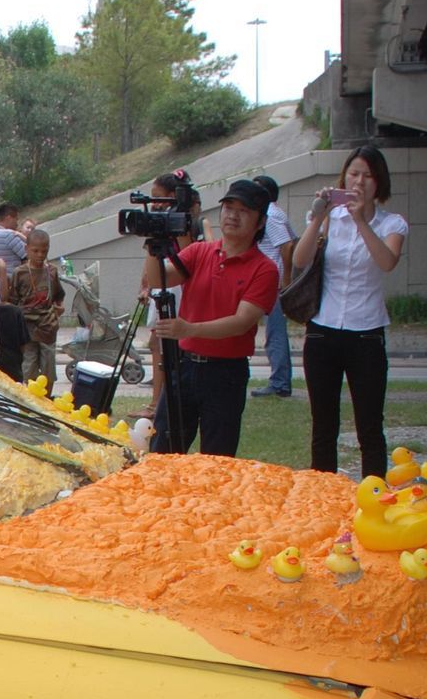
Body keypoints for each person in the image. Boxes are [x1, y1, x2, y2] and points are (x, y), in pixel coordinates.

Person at [290, 146, 409, 475]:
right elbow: (299, 260)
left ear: (379, 182)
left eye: (368, 175)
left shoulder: (392, 223)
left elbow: (387, 262)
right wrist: (319, 215)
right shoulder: (330, 217)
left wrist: (360, 220)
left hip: (366, 333)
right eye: (354, 174)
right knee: (323, 423)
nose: (359, 181)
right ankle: (323, 491)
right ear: (344, 177)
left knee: (369, 424)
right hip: (322, 330)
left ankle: (374, 491)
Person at [143, 179, 280, 457]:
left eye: (243, 211)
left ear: (261, 221)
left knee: (217, 458)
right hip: (183, 366)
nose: (232, 216)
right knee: (162, 453)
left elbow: (242, 321)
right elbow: (158, 279)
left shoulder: (264, 269)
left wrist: (189, 329)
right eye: (228, 208)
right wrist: (152, 244)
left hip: (225, 373)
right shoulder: (200, 251)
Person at [250, 175, 296, 399]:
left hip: (273, 284)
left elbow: (287, 245)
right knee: (273, 332)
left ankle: (279, 383)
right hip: (269, 283)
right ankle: (280, 381)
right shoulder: (274, 213)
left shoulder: (270, 215)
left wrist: (285, 279)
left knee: (275, 333)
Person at [1, 229, 65, 390]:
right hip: (26, 327)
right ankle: (29, 399)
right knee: (28, 367)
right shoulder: (20, 272)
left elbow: (59, 295)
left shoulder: (52, 271)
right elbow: (12, 301)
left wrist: (59, 308)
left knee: (48, 368)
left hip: (48, 326)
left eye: (44, 251)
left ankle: (47, 398)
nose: (40, 255)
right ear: (27, 249)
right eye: (35, 251)